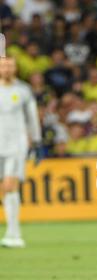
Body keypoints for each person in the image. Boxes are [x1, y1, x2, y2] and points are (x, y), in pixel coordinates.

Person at [0, 56, 42, 248]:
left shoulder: (23, 90)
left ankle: (14, 233)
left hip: (16, 145)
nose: (6, 69)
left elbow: (32, 117)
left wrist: (37, 140)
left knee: (10, 185)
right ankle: (12, 232)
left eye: (10, 65)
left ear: (15, 68)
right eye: (3, 65)